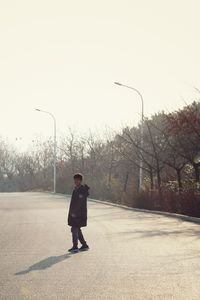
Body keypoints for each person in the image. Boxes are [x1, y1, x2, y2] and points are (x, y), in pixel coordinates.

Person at [68, 173, 90, 252]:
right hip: (75, 213)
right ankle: (84, 245)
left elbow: (80, 202)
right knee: (77, 229)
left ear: (80, 181)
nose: (76, 181)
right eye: (75, 180)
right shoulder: (76, 189)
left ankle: (75, 246)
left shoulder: (82, 190)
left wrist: (75, 212)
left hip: (79, 213)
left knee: (74, 228)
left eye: (77, 180)